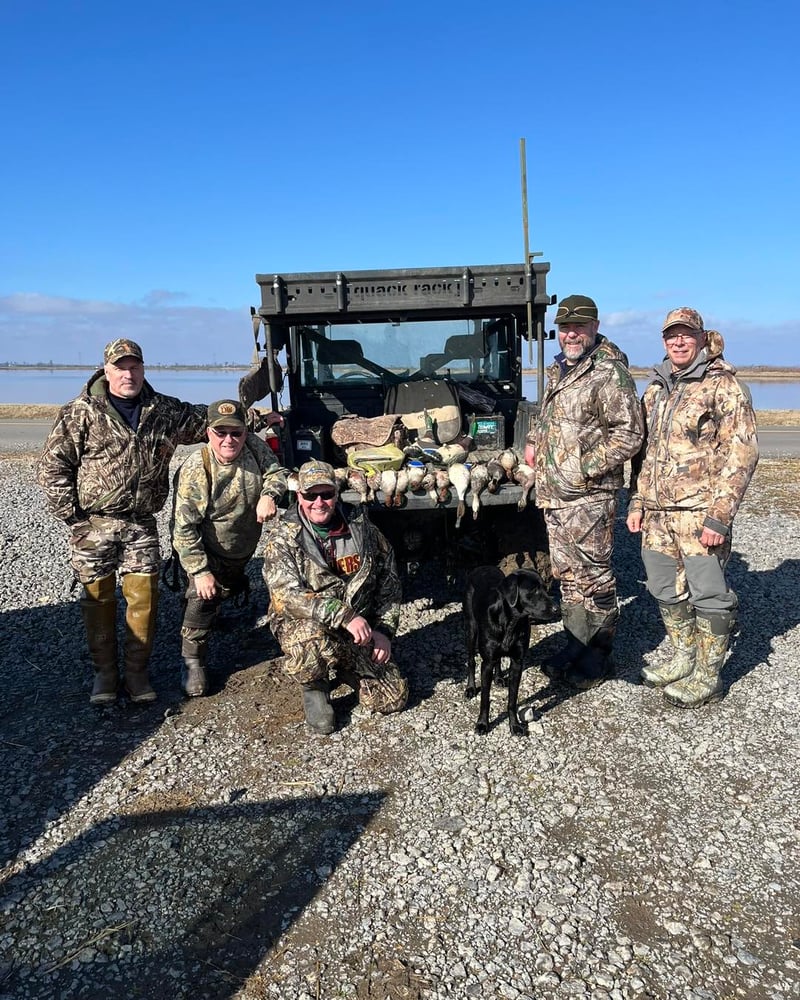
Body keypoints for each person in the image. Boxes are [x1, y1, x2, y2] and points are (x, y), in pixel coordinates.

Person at [37, 339, 208, 705]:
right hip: (92, 524)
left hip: (141, 524)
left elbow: (209, 420)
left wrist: (256, 417)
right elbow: (53, 466)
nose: (128, 374)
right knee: (97, 598)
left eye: (134, 367)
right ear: (107, 370)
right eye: (120, 367)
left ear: (143, 369)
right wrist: (73, 516)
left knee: (144, 597)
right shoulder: (80, 412)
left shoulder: (163, 410)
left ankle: (136, 672)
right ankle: (105, 674)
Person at [626, 307, 758, 708]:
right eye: (671, 336)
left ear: (702, 338)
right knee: (664, 587)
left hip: (700, 514)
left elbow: (743, 454)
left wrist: (720, 515)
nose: (678, 342)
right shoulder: (656, 388)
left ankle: (708, 675)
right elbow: (645, 454)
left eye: (685, 335)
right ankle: (683, 657)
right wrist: (637, 500)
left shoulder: (724, 386)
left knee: (709, 594)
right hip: (657, 513)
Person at [532, 294, 644, 688]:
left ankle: (598, 655)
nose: (571, 334)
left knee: (595, 577)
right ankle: (574, 643)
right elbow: (551, 420)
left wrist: (582, 468)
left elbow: (629, 434)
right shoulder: (560, 369)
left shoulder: (609, 372)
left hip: (589, 497)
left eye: (579, 326)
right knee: (567, 576)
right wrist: (534, 443)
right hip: (555, 495)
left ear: (595, 327)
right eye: (565, 327)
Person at [262, 460, 408, 734]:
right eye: (310, 495)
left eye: (326, 494)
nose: (319, 502)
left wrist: (384, 630)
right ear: (299, 496)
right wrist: (345, 615)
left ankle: (346, 665)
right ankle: (315, 686)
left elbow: (389, 583)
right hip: (309, 625)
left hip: (357, 631)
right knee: (307, 636)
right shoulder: (283, 538)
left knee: (393, 697)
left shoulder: (364, 531)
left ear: (336, 494)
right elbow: (286, 596)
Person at [171, 399, 288, 697]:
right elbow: (184, 529)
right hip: (206, 547)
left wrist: (269, 494)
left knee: (227, 587)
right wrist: (199, 571)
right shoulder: (197, 469)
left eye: (236, 432)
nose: (229, 440)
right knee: (202, 597)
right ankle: (192, 659)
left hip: (240, 545)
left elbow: (276, 473)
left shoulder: (254, 448)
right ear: (208, 433)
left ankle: (214, 615)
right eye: (221, 432)